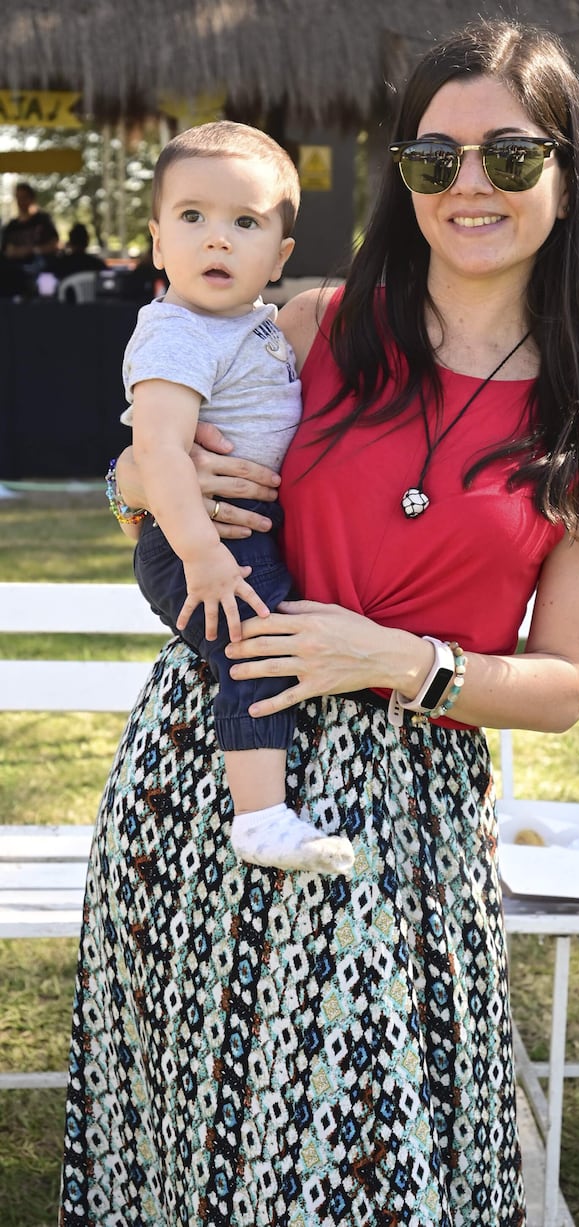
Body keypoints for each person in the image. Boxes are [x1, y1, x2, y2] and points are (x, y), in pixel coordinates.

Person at [60, 18, 579, 1226]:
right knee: (205, 1146)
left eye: (508, 156)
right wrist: (127, 484)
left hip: (407, 812)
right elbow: (156, 459)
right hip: (208, 780)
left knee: (367, 1168)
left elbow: (565, 684)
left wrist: (400, 663)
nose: (467, 186)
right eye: (432, 160)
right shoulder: (309, 329)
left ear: (568, 172)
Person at [121, 121, 353, 874]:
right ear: (157, 242)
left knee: (262, 648)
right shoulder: (176, 332)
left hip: (236, 534)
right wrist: (203, 558)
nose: (216, 240)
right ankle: (258, 819)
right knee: (256, 653)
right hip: (202, 544)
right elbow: (157, 451)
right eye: (192, 217)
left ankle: (266, 806)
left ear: (280, 255)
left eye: (244, 222)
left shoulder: (254, 326)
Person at [0, 181, 59, 266]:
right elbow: (6, 250)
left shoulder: (43, 220)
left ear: (32, 198)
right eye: (18, 198)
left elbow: (54, 244)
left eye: (24, 197)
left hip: (43, 269)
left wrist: (31, 250)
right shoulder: (11, 226)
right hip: (16, 271)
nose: (21, 202)